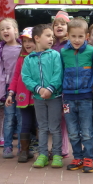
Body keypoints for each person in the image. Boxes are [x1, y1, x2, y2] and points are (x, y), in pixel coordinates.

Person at [22, 24, 64, 168]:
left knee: (55, 127)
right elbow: (26, 77)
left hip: (54, 97)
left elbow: (58, 73)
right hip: (38, 98)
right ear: (37, 38)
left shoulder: (55, 55)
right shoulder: (29, 59)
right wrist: (39, 89)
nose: (51, 39)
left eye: (52, 36)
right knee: (42, 127)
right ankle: (43, 155)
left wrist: (50, 89)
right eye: (48, 36)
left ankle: (57, 154)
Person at [61, 18, 93, 173]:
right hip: (68, 97)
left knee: (87, 130)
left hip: (86, 97)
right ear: (68, 35)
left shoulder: (92, 51)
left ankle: (88, 157)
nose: (76, 40)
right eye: (73, 36)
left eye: (80, 36)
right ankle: (78, 156)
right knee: (73, 131)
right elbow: (60, 71)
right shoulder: (63, 52)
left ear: (86, 36)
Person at [0, 18, 22, 157]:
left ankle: (22, 146)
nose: (4, 31)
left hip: (22, 87)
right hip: (8, 87)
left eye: (8, 28)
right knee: (8, 117)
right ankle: (7, 146)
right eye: (2, 29)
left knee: (21, 118)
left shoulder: (23, 47)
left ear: (15, 30)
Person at [6, 27, 36, 163]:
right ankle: (24, 150)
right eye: (24, 41)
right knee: (25, 122)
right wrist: (11, 93)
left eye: (30, 40)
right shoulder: (21, 59)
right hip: (23, 97)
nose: (27, 44)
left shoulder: (41, 57)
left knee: (39, 123)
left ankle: (38, 149)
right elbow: (15, 77)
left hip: (38, 96)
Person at [51, 11, 71, 158]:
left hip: (67, 88)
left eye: (63, 24)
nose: (59, 26)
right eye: (56, 24)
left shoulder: (70, 44)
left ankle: (63, 149)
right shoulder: (50, 44)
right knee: (55, 118)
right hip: (54, 88)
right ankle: (56, 147)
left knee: (65, 117)